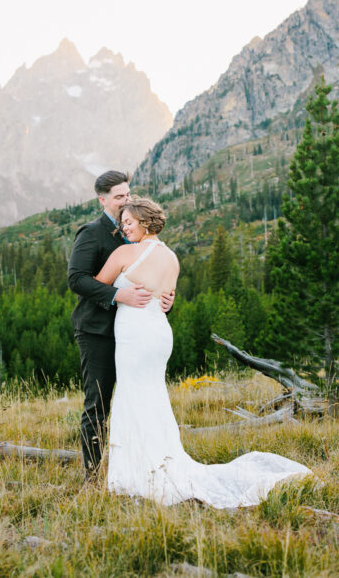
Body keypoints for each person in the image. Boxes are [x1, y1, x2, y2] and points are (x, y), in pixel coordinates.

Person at [95, 197, 310, 508]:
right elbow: (166, 298)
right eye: (122, 223)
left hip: (135, 334)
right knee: (152, 394)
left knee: (132, 394)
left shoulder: (127, 252)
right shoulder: (171, 257)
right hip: (158, 332)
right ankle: (156, 462)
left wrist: (120, 294)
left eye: (128, 222)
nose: (123, 228)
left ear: (144, 222)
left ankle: (136, 473)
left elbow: (97, 284)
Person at [67, 171, 174, 478]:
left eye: (128, 194)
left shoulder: (140, 235)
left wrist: (167, 302)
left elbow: (157, 280)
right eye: (119, 197)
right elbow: (77, 279)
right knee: (98, 402)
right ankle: (92, 475)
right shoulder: (90, 233)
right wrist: (118, 294)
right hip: (97, 331)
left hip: (134, 335)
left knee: (135, 400)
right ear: (102, 200)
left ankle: (139, 469)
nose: (126, 201)